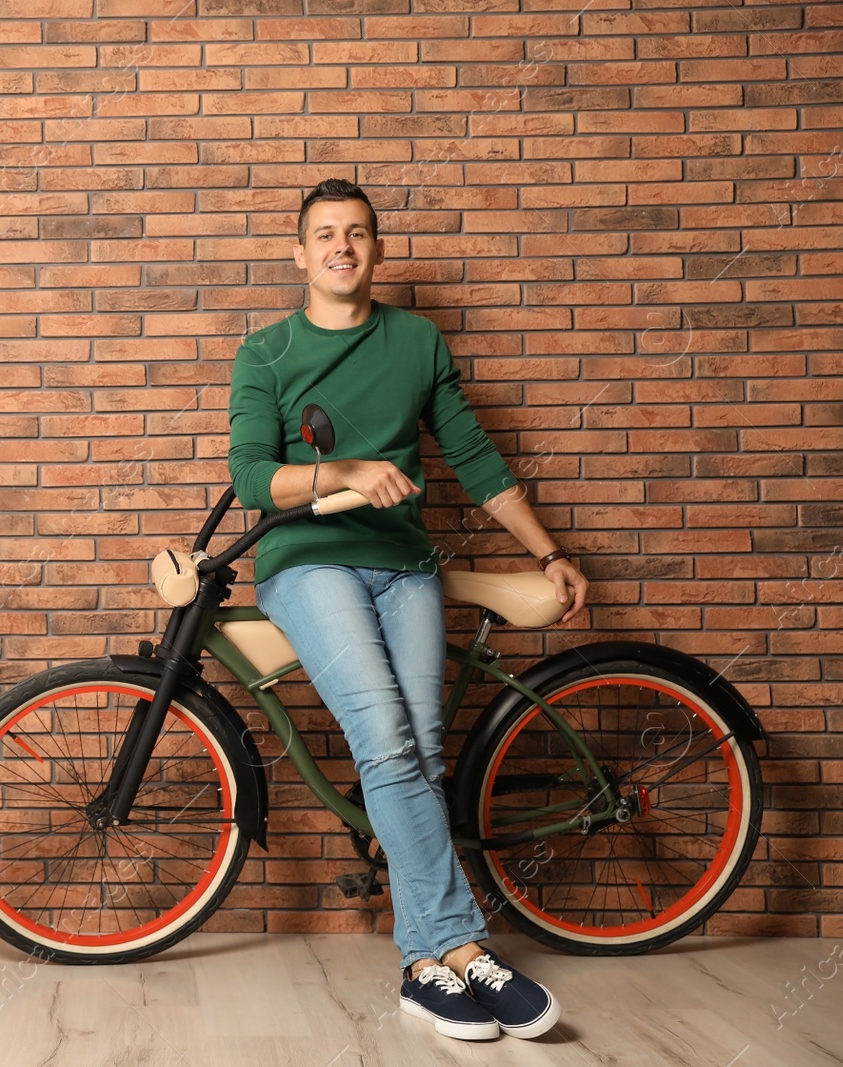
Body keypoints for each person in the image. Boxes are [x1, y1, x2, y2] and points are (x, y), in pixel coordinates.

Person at [226, 178, 590, 1042]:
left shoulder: (418, 341)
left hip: (404, 565)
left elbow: (475, 457)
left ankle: (422, 966)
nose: (342, 247)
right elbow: (251, 478)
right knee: (386, 739)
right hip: (308, 565)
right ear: (300, 253)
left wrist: (549, 549)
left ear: (378, 251)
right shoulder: (267, 352)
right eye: (324, 234)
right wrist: (343, 473)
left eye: (357, 233)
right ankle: (466, 947)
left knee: (419, 754)